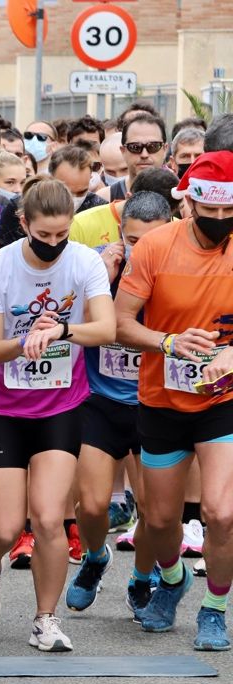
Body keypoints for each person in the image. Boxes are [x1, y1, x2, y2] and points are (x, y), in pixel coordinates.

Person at [0, 179, 115, 652]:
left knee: (50, 518)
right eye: (44, 234)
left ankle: (44, 620)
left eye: (62, 234)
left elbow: (107, 328)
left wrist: (62, 331)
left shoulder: (85, 261)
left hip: (61, 405)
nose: (53, 244)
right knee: (7, 529)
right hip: (4, 408)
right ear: (24, 223)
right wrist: (24, 341)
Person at [115, 151, 233, 651]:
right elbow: (120, 325)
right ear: (187, 204)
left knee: (222, 513)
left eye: (232, 214)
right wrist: (168, 342)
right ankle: (171, 579)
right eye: (212, 214)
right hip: (162, 398)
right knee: (160, 522)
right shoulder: (156, 247)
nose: (221, 224)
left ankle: (215, 607)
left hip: (223, 399)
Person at [66, 191, 173, 616]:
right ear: (119, 233)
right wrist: (104, 279)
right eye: (132, 239)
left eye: (151, 241)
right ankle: (95, 558)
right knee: (92, 505)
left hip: (155, 404)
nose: (139, 250)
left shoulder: (181, 271)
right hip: (100, 398)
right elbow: (67, 321)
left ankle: (143, 575)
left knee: (153, 510)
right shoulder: (95, 264)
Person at [98, 113, 168, 202]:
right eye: (135, 147)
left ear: (165, 149)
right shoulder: (103, 199)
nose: (144, 154)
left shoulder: (182, 198)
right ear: (123, 151)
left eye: (153, 146)